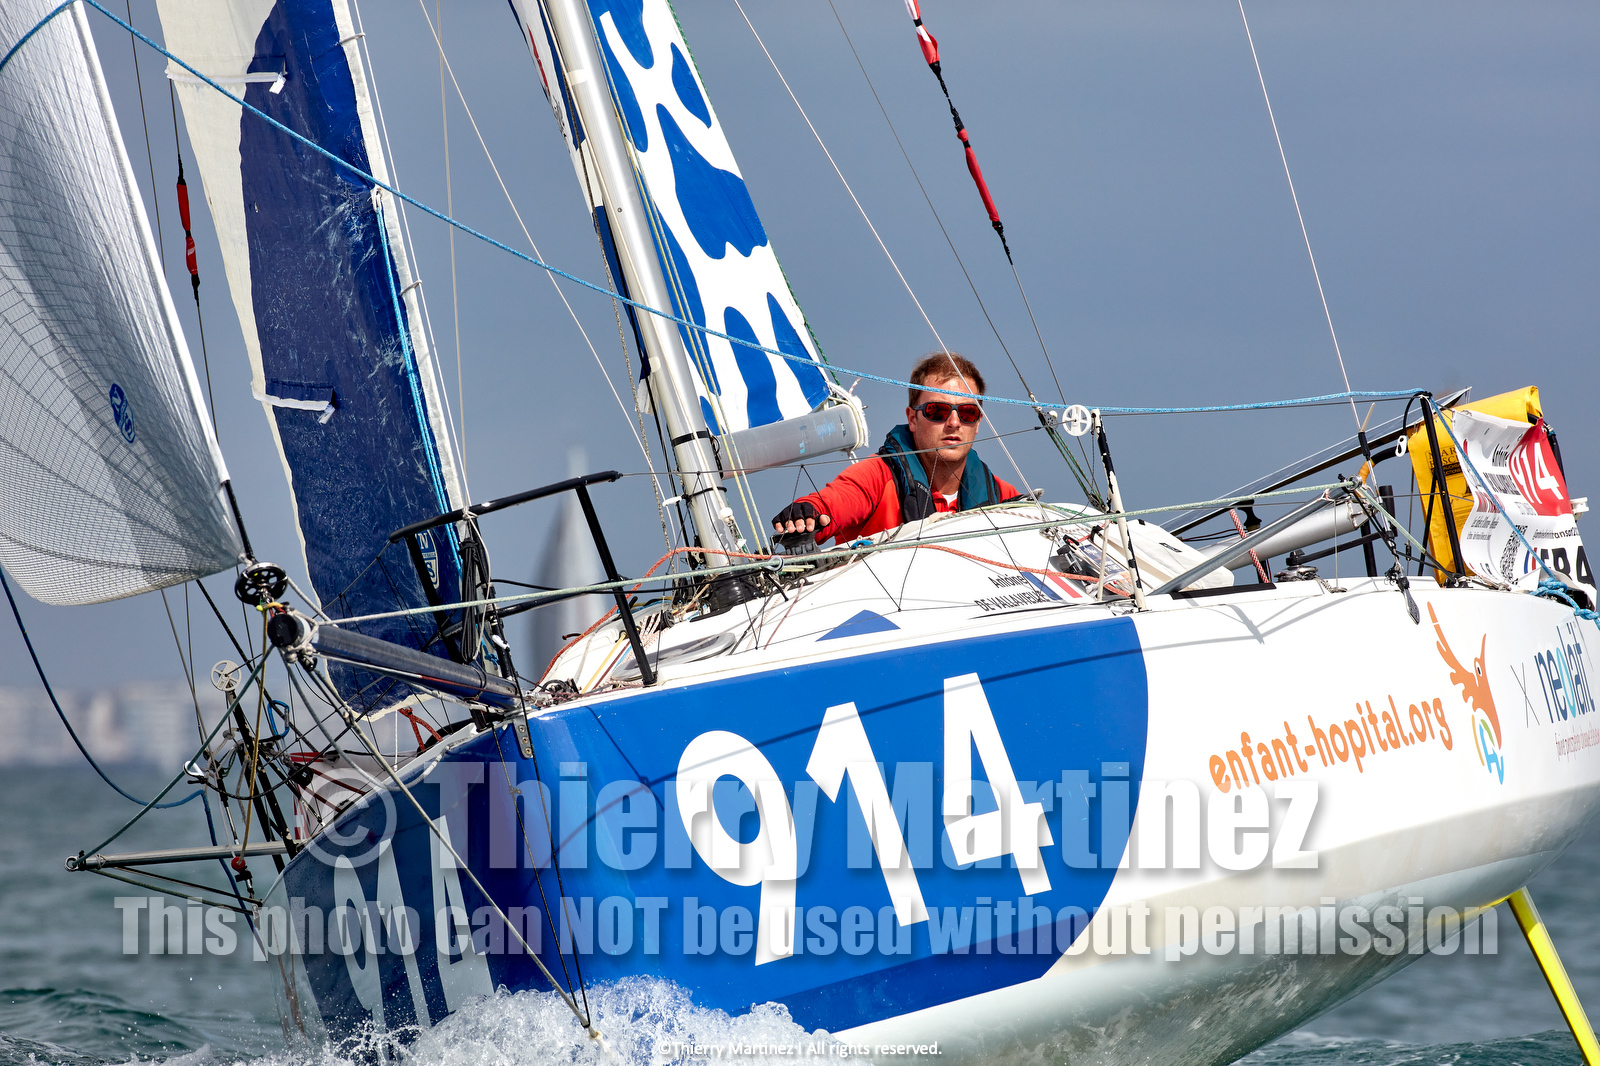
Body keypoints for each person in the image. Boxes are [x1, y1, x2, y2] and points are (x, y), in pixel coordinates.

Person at [772, 352, 1020, 544]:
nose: (954, 423)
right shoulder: (877, 477)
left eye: (967, 413)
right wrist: (808, 512)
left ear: (978, 423)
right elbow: (835, 501)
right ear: (912, 419)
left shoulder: (1001, 495)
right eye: (937, 411)